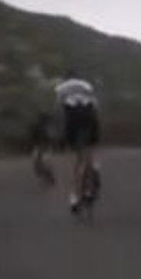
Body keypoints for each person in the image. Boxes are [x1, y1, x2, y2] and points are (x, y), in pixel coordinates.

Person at [54, 70, 101, 212]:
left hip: (73, 119)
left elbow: (60, 110)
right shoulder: (87, 85)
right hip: (89, 117)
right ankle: (94, 168)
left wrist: (61, 136)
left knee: (77, 161)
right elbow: (96, 106)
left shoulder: (60, 88)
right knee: (89, 151)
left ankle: (75, 197)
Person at [28, 111, 56, 184]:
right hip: (40, 147)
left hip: (43, 148)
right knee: (39, 167)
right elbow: (33, 138)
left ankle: (49, 177)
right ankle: (49, 176)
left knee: (41, 165)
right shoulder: (37, 127)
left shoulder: (45, 128)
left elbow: (48, 139)